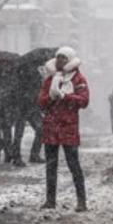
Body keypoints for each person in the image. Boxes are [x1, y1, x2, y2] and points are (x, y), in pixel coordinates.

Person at [37, 47, 89, 212]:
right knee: (50, 166)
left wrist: (66, 97)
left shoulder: (78, 79)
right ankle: (50, 200)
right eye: (58, 58)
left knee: (74, 165)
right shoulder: (49, 79)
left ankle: (82, 201)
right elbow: (40, 101)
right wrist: (50, 97)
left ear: (70, 60)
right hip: (51, 127)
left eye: (64, 58)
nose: (60, 61)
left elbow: (84, 101)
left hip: (68, 127)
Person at [11, 63, 45, 166]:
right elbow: (17, 90)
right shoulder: (21, 74)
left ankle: (32, 155)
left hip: (31, 107)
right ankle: (18, 157)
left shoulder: (35, 73)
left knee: (41, 130)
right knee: (20, 133)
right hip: (23, 106)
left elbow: (39, 90)